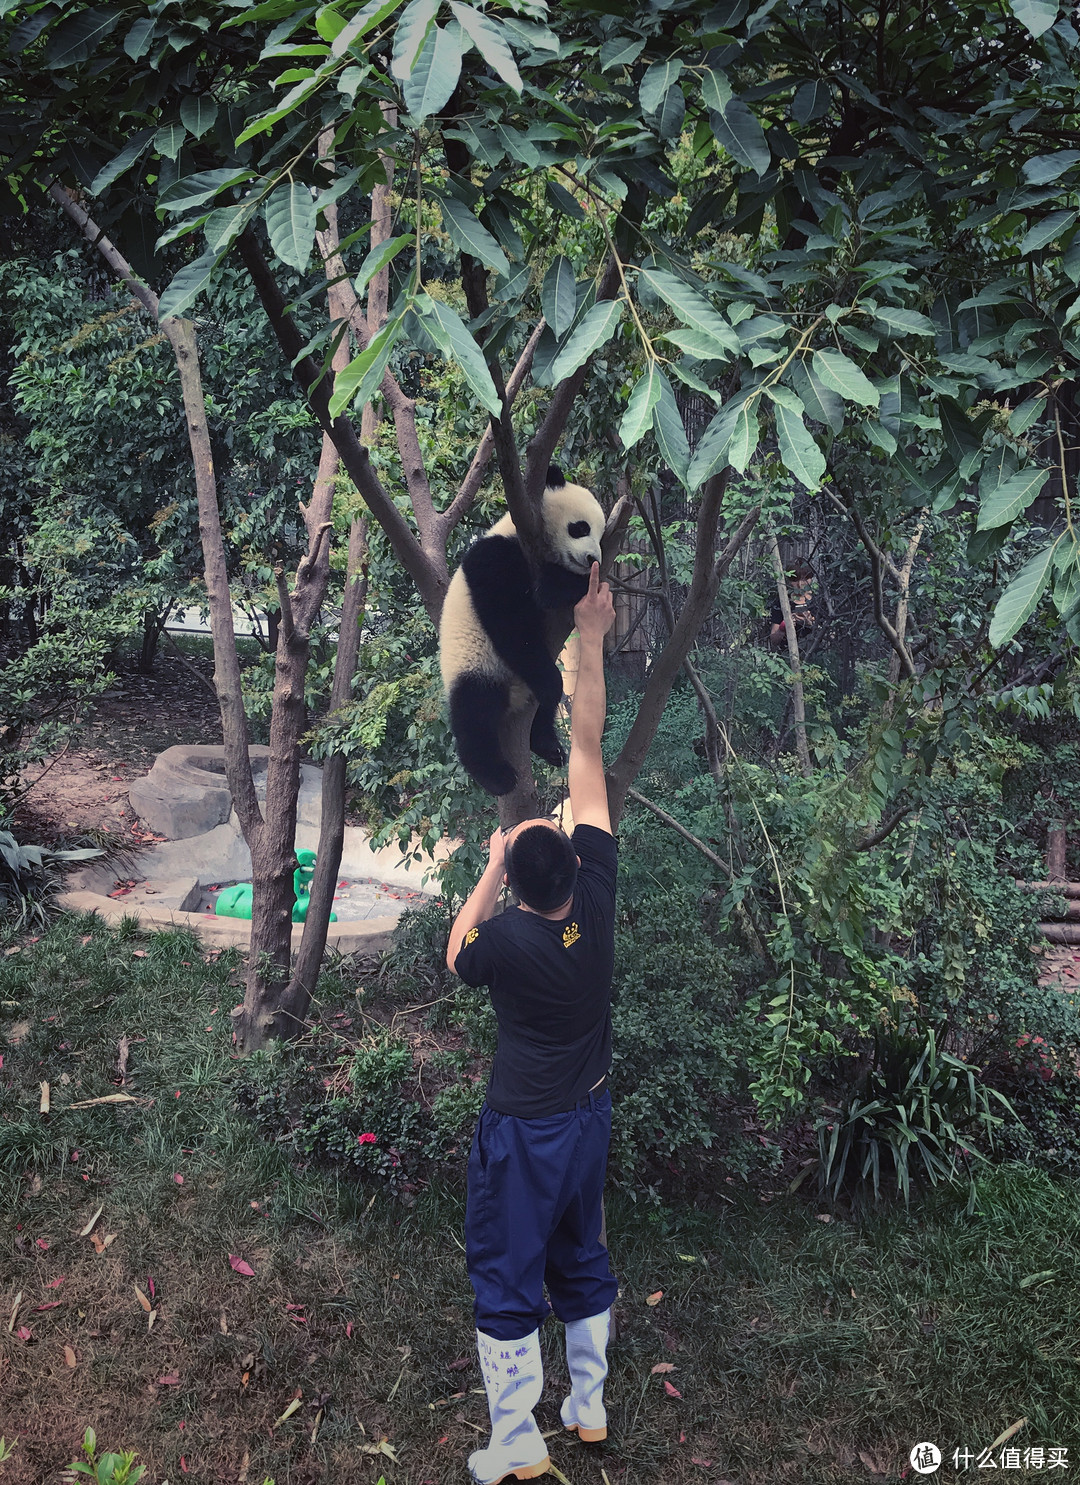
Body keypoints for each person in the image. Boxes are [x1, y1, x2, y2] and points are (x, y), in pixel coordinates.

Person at [446, 561, 619, 1485]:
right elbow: (585, 749)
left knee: (507, 1275)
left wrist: (490, 858)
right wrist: (590, 638)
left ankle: (516, 1439)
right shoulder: (598, 897)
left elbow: (455, 948)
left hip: (522, 1133)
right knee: (581, 1252)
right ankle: (586, 1408)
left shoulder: (503, 942)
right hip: (586, 1119)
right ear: (574, 866)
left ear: (518, 884)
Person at [769, 559, 815, 647]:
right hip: (788, 651)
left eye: (804, 579)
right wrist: (784, 626)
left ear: (810, 579)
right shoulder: (782, 602)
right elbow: (774, 640)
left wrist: (810, 624)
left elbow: (831, 636)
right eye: (795, 580)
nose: (800, 584)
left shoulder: (818, 601)